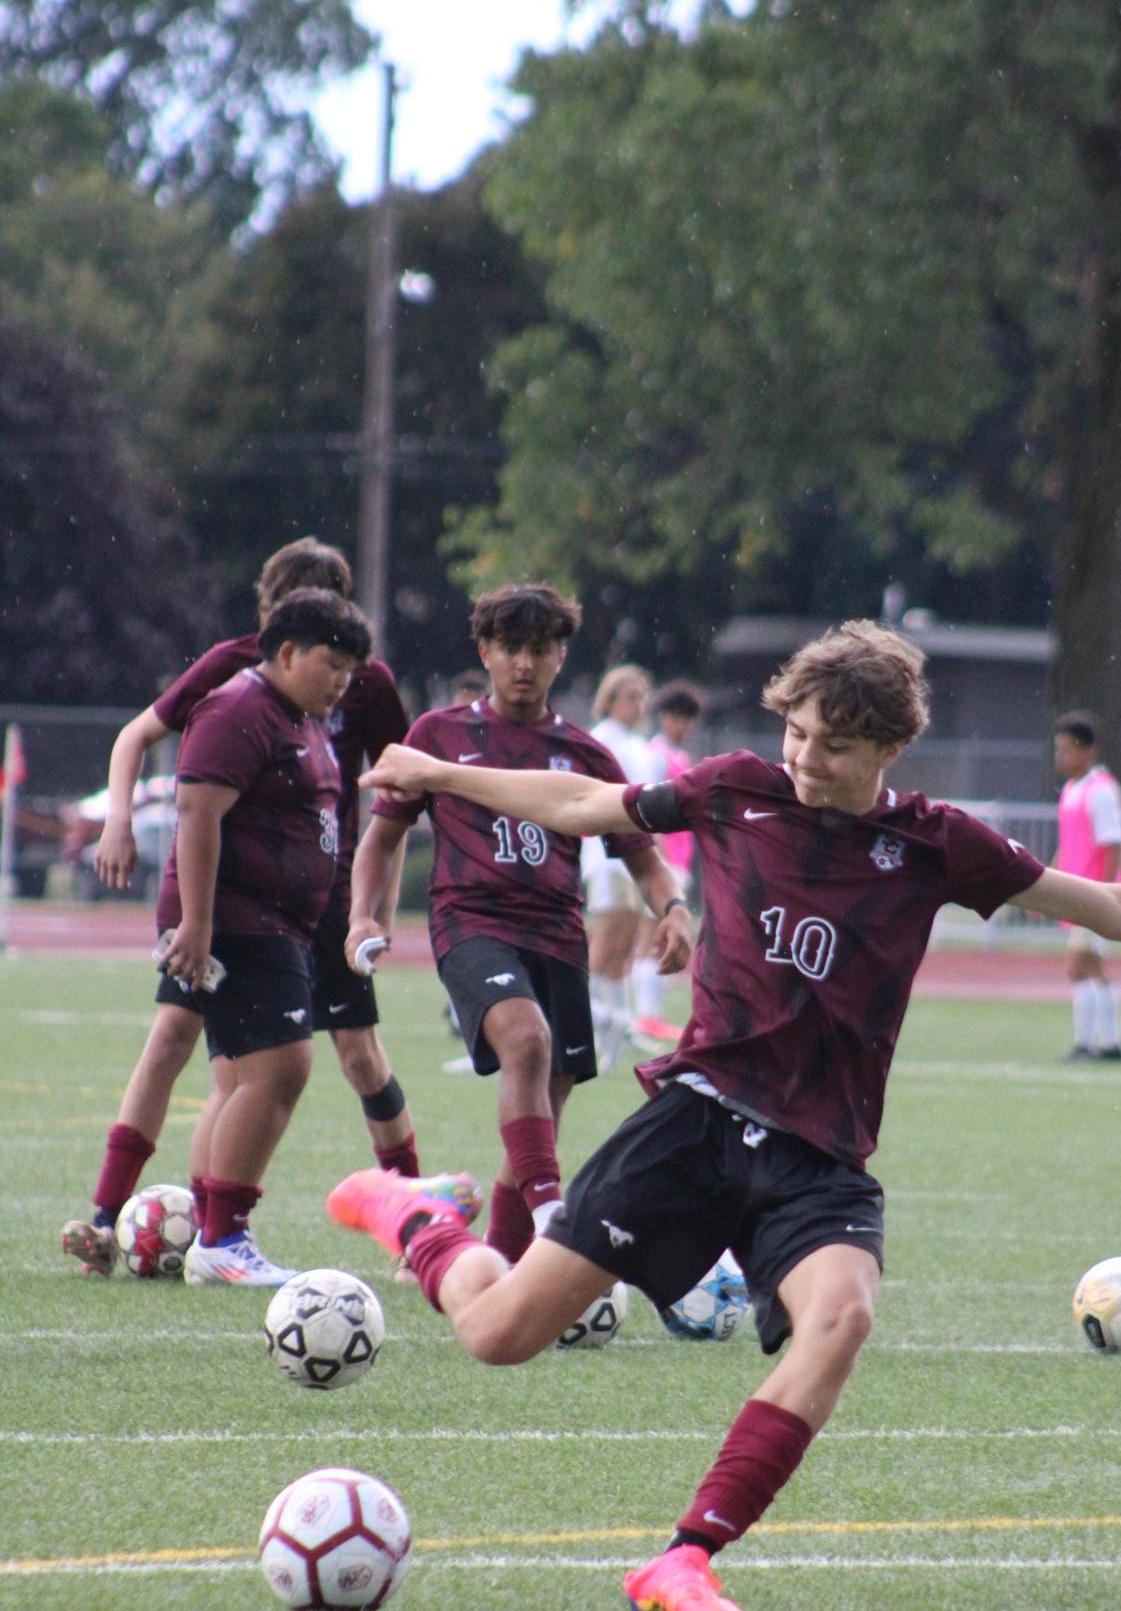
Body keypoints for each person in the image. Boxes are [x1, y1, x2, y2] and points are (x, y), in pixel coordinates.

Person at [328, 616, 1121, 1611]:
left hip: (817, 1158)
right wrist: (444, 774)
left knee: (843, 1315)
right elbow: (584, 803)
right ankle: (417, 1218)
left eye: (834, 746)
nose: (805, 758)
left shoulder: (936, 845)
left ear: (888, 751)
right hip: (696, 1124)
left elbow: (1102, 906)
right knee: (500, 1334)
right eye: (797, 734)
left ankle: (684, 1558)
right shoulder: (735, 788)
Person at [61, 538, 436, 1278]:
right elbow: (189, 793)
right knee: (223, 1054)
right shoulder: (240, 683)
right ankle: (165, 1223)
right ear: (279, 635)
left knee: (344, 1052)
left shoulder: (355, 683)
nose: (338, 677)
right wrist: (128, 832)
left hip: (317, 903)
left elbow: (400, 789)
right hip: (242, 902)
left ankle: (408, 1217)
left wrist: (372, 908)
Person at [346, 583, 692, 1271]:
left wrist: (674, 909)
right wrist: (362, 914)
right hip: (470, 924)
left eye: (539, 649)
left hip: (559, 935)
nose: (524, 663)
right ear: (486, 651)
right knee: (526, 1041)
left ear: (561, 655)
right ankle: (553, 1220)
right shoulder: (438, 737)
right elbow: (382, 837)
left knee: (539, 1114)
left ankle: (499, 1277)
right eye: (510, 648)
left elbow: (641, 852)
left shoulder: (585, 754)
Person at [130, 588, 367, 1284]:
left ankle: (212, 1226)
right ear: (286, 651)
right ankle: (224, 1240)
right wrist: (198, 925)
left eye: (351, 666)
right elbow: (198, 810)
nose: (341, 678)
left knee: (237, 1079)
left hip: (276, 921)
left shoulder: (302, 714)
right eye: (331, 661)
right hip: (241, 918)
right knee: (282, 1068)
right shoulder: (241, 708)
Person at [582, 664, 661, 1069]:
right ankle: (589, 1024)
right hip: (609, 858)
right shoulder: (602, 741)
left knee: (623, 950)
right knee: (605, 943)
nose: (638, 704)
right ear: (609, 701)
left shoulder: (639, 744)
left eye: (641, 697)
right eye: (629, 697)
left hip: (638, 857)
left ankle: (614, 1031)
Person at [1052, 711, 1121, 1061]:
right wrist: (1047, 884)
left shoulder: (1102, 791)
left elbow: (1112, 844)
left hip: (1094, 894)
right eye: (1058, 750)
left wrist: (1105, 894)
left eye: (1067, 750)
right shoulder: (1071, 789)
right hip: (1075, 894)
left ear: (1087, 751)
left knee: (1079, 966)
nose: (1060, 758)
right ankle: (1107, 1044)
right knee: (1091, 967)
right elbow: (1068, 844)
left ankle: (1092, 1044)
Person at [634, 680, 706, 1045]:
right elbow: (650, 808)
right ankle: (644, 1016)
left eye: (688, 719)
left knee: (664, 935)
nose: (684, 725)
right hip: (664, 858)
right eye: (678, 717)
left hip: (681, 855)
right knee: (653, 935)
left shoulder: (682, 756)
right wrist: (657, 854)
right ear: (664, 717)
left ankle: (650, 1015)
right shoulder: (656, 754)